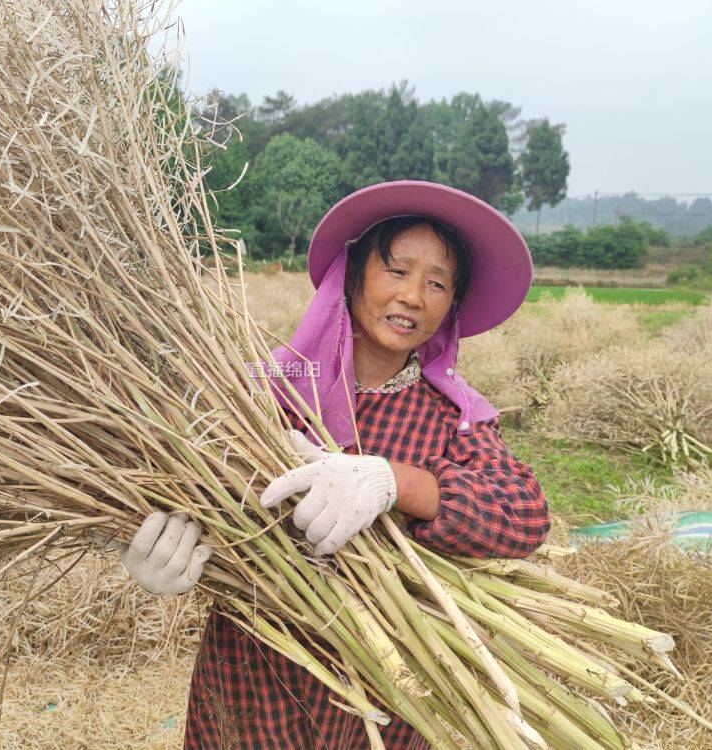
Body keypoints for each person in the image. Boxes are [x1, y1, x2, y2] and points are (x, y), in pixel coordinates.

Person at [119, 181, 552, 749]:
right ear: (352, 276)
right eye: (396, 271)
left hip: (385, 692)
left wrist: (394, 480)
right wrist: (154, 547)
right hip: (252, 680)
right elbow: (165, 478)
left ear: (452, 305)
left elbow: (523, 516)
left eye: (438, 283)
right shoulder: (257, 396)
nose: (415, 297)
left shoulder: (452, 417)